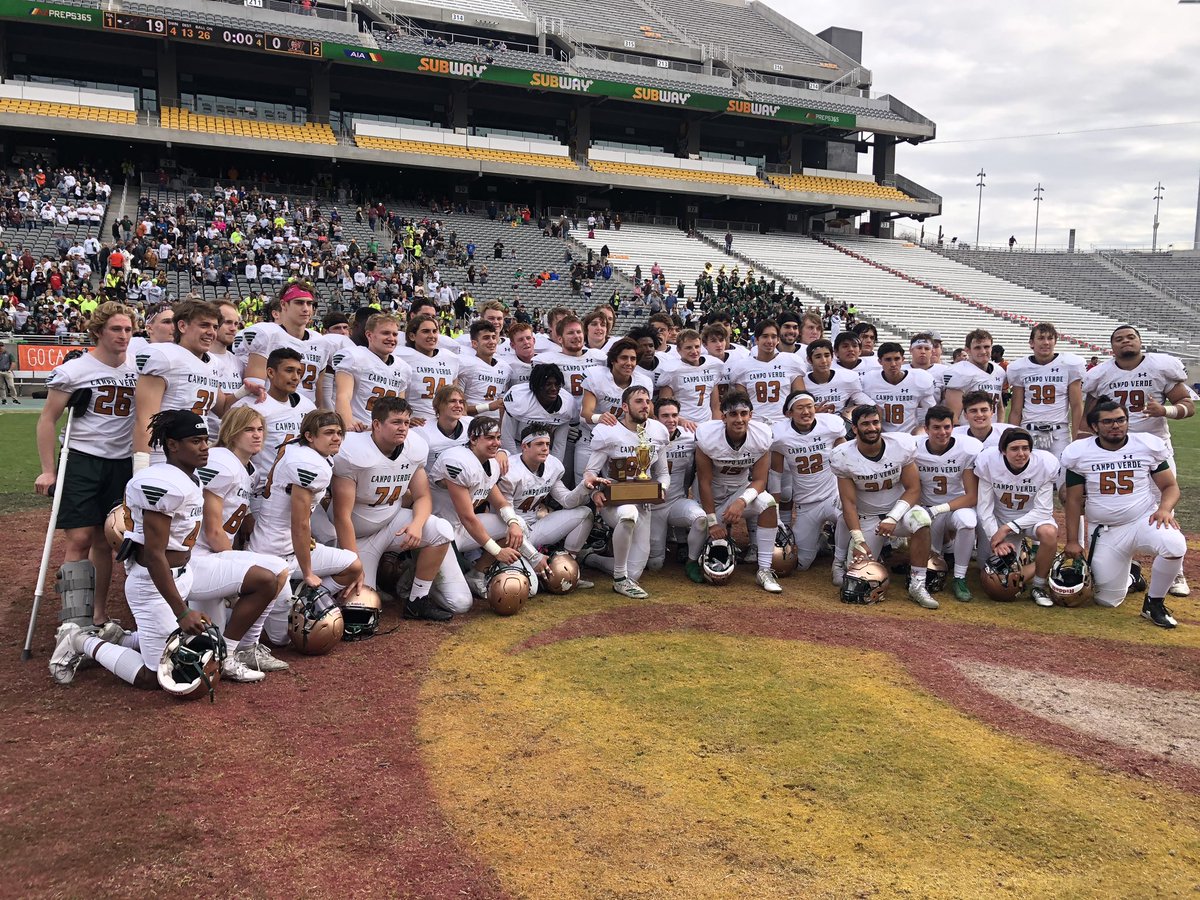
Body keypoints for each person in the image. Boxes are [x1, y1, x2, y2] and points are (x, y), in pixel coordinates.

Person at [49, 411, 269, 690]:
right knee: (154, 677)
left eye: (205, 440)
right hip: (153, 583)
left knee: (180, 640)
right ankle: (80, 641)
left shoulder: (189, 477)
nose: (204, 447)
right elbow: (154, 555)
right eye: (195, 441)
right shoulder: (163, 483)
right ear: (173, 445)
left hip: (180, 574)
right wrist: (181, 612)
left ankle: (120, 637)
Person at [35, 302, 139, 628]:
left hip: (122, 463)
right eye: (116, 329)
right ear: (98, 332)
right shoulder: (75, 370)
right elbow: (47, 420)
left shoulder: (138, 369)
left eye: (128, 329)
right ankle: (73, 619)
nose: (123, 336)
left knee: (105, 539)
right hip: (82, 459)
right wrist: (48, 470)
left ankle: (98, 613)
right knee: (79, 538)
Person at [1062, 398, 1185, 628]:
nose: (1116, 426)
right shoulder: (1080, 453)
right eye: (1108, 422)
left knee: (1174, 544)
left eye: (1121, 420)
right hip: (1105, 530)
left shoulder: (1145, 445)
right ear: (1094, 427)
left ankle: (1154, 603)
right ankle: (1133, 577)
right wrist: (1071, 540)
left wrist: (1165, 509)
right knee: (1106, 600)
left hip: (1142, 519)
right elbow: (1073, 500)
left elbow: (1170, 486)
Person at [331, 397, 456, 622]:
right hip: (357, 535)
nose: (403, 428)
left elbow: (423, 496)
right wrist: (354, 564)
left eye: (407, 422)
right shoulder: (353, 451)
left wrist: (417, 526)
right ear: (377, 424)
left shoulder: (414, 447)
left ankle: (417, 600)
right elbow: (342, 516)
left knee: (441, 529)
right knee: (359, 610)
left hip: (391, 521)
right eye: (396, 422)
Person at [191, 406, 292, 677]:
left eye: (260, 429)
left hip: (212, 555)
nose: (257, 435)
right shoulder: (221, 461)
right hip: (197, 556)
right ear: (232, 432)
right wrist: (238, 577)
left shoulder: (250, 470)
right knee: (274, 571)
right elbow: (213, 530)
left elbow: (239, 519)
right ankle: (240, 650)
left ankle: (242, 648)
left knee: (204, 638)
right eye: (249, 429)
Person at [249, 409, 363, 645]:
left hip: (291, 546)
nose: (336, 438)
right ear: (310, 436)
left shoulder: (298, 448)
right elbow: (299, 522)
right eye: (329, 433)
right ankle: (288, 602)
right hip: (272, 553)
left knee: (353, 565)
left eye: (339, 433)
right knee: (283, 639)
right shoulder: (307, 463)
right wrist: (309, 572)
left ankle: (305, 598)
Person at [830, 405, 938, 609]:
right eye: (865, 424)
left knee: (921, 519)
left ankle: (918, 583)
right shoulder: (843, 455)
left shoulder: (900, 445)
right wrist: (859, 539)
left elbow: (914, 489)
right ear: (854, 428)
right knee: (856, 578)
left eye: (875, 422)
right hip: (868, 517)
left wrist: (893, 517)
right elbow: (849, 503)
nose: (872, 428)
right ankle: (841, 561)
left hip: (898, 515)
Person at [428, 417, 545, 603]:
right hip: (439, 532)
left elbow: (500, 502)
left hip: (462, 530)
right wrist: (498, 551)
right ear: (473, 439)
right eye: (490, 438)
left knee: (517, 523)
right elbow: (467, 517)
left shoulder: (491, 462)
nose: (496, 443)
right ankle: (419, 578)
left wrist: (513, 524)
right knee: (460, 603)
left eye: (498, 437)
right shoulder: (456, 460)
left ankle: (477, 574)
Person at [133, 300, 248, 468]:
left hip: (197, 453)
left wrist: (245, 390)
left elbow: (222, 408)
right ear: (182, 326)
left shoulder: (213, 363)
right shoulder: (165, 356)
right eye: (204, 325)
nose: (211, 332)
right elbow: (144, 420)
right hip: (163, 455)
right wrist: (141, 468)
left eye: (215, 327)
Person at [582, 385, 670, 598]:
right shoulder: (609, 431)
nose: (645, 405)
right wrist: (595, 493)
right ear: (624, 406)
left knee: (636, 572)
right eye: (639, 401)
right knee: (628, 513)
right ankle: (619, 580)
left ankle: (592, 559)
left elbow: (664, 473)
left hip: (644, 501)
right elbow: (590, 472)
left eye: (647, 401)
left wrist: (661, 489)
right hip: (615, 501)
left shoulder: (658, 431)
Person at [693, 391, 782, 593]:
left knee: (767, 503)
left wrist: (742, 501)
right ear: (723, 417)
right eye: (733, 414)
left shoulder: (761, 436)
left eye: (744, 413)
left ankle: (765, 570)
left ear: (751, 415)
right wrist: (712, 521)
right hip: (712, 498)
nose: (739, 419)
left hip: (742, 492)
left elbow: (760, 480)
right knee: (704, 548)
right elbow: (704, 482)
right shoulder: (708, 436)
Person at [499, 423, 599, 582]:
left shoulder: (553, 465)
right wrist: (534, 556)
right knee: (530, 587)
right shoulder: (511, 470)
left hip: (535, 526)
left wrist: (584, 486)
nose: (545, 448)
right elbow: (506, 517)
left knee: (585, 513)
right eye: (539, 444)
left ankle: (567, 565)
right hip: (511, 534)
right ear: (525, 446)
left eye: (547, 444)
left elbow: (567, 501)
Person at [974, 428, 1059, 607]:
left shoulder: (1044, 463)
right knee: (993, 578)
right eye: (1014, 449)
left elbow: (1043, 511)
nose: (1021, 454)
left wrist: (1007, 528)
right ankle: (1045, 561)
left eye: (1025, 448)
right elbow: (984, 507)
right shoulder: (989, 461)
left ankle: (1039, 585)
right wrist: (994, 537)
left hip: (1031, 519)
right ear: (1003, 450)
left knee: (1049, 532)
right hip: (999, 519)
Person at [770, 391, 845, 572]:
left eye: (809, 406)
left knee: (849, 519)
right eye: (800, 408)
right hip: (805, 505)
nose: (806, 412)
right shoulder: (780, 435)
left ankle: (840, 560)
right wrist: (777, 514)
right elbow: (775, 476)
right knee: (801, 564)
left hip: (832, 497)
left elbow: (847, 460)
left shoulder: (830, 426)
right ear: (789, 414)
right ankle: (820, 541)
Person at [916, 405, 982, 602]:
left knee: (968, 522)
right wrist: (926, 510)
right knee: (934, 563)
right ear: (926, 429)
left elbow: (972, 496)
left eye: (947, 427)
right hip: (927, 510)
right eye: (936, 427)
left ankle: (960, 578)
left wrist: (940, 508)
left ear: (953, 427)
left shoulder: (966, 449)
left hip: (956, 508)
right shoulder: (914, 449)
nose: (942, 432)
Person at [230, 348, 316, 484]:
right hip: (261, 489)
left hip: (298, 486)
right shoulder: (251, 407)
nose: (296, 377)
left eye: (298, 372)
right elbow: (233, 452)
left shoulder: (308, 406)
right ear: (270, 372)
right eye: (289, 370)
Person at [646, 397, 708, 572]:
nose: (671, 420)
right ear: (655, 418)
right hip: (652, 506)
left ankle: (692, 561)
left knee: (700, 519)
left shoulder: (690, 437)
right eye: (665, 415)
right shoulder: (644, 437)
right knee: (655, 564)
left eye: (674, 415)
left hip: (676, 501)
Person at [243, 281, 328, 407]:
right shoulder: (268, 334)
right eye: (299, 302)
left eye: (309, 303)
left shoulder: (320, 341)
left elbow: (318, 391)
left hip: (307, 414)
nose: (306, 309)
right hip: (272, 412)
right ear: (283, 304)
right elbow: (255, 389)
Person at [1005, 322, 1085, 456]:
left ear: (1055, 342)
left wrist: (1078, 438)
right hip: (1029, 430)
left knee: (1061, 474)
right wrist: (1014, 436)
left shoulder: (1069, 365)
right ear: (1031, 343)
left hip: (1059, 432)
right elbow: (1015, 410)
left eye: (1050, 338)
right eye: (1041, 338)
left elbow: (1077, 406)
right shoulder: (1020, 368)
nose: (1046, 342)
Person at [578, 338, 652, 479]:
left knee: (618, 485)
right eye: (624, 358)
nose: (629, 363)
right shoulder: (597, 376)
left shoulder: (644, 381)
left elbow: (649, 411)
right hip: (591, 437)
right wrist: (599, 417)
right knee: (583, 484)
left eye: (633, 359)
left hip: (622, 442)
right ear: (613, 360)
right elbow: (586, 412)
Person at [333, 312, 411, 433]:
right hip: (361, 429)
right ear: (369, 335)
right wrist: (348, 422)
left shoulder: (403, 367)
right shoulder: (354, 357)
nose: (391, 338)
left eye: (395, 334)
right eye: (385, 333)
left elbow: (400, 407)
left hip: (388, 432)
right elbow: (343, 395)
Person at [720, 320, 807, 426]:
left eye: (774, 337)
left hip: (785, 423)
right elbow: (741, 404)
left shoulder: (792, 362)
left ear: (778, 339)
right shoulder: (742, 366)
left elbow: (800, 399)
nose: (770, 341)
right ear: (756, 339)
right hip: (754, 424)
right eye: (765, 336)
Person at [500, 363, 574, 464]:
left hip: (546, 450)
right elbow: (507, 437)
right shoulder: (519, 399)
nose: (554, 388)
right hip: (519, 447)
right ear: (537, 385)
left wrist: (555, 466)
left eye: (557, 384)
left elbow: (559, 444)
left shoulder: (566, 404)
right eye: (548, 384)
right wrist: (515, 464)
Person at [397, 313, 460, 426]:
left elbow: (456, 393)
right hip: (415, 422)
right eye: (425, 331)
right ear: (412, 336)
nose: (432, 335)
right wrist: (404, 417)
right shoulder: (401, 357)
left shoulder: (451, 358)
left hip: (443, 422)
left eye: (434, 331)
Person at [861, 342, 937, 435]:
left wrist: (920, 428)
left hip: (910, 435)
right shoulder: (869, 380)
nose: (893, 364)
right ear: (880, 361)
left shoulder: (919, 379)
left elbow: (932, 412)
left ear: (903, 360)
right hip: (878, 435)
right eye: (888, 359)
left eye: (897, 359)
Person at [655, 329, 724, 426]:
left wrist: (717, 426)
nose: (694, 351)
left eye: (697, 347)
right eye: (688, 348)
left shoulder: (713, 366)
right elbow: (663, 408)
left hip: (707, 424)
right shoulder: (672, 371)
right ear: (678, 350)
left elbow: (715, 406)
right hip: (682, 425)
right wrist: (681, 421)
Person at [944, 329, 1005, 421]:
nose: (983, 351)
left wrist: (1000, 429)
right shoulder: (959, 372)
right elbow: (953, 416)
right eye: (977, 347)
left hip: (991, 431)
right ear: (968, 350)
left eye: (986, 347)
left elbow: (999, 407)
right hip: (967, 432)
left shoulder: (999, 371)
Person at [207, 301, 245, 442]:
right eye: (228, 322)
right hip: (207, 439)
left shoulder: (239, 363)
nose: (233, 328)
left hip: (234, 439)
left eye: (236, 324)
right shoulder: (199, 359)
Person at [804, 339, 872, 416]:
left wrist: (852, 410)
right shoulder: (802, 381)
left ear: (832, 357)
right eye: (818, 357)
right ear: (809, 360)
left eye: (827, 355)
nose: (824, 361)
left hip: (840, 425)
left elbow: (872, 406)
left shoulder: (847, 379)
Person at [457, 321, 510, 417]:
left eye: (493, 337)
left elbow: (502, 406)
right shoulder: (466, 365)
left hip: (495, 426)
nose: (492, 341)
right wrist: (488, 407)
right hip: (472, 424)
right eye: (486, 338)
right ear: (474, 343)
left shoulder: (505, 368)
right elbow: (457, 406)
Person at [954, 390, 1018, 449]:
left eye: (984, 410)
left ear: (991, 412)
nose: (979, 415)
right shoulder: (955, 436)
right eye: (973, 411)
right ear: (965, 415)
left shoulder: (1008, 434)